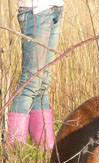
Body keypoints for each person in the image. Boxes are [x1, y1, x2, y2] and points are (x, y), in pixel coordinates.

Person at [8, 0, 64, 150]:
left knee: (43, 82)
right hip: (35, 11)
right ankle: (15, 148)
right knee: (30, 82)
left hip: (55, 8)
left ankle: (45, 146)